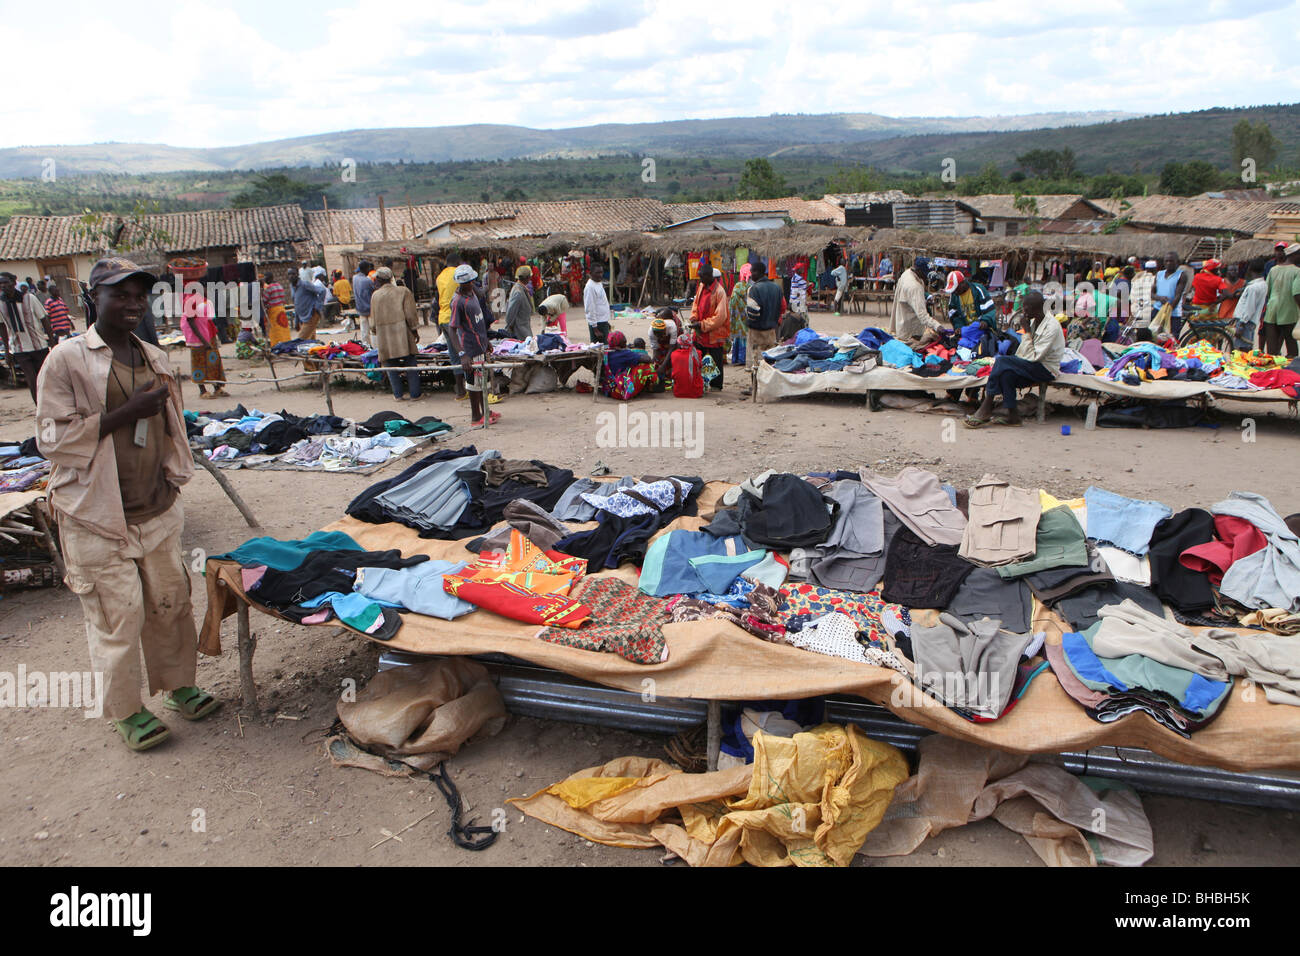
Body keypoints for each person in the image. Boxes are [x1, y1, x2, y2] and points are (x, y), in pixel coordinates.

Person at [35, 256, 218, 752]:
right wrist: (123, 414)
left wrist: (174, 476)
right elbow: (52, 440)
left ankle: (179, 686)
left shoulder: (153, 356)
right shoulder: (67, 359)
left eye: (140, 295)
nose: (133, 304)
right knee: (118, 618)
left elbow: (169, 426)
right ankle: (128, 712)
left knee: (170, 604)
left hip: (155, 509)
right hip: (96, 516)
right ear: (94, 298)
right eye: (121, 294)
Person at [965, 290, 1063, 427]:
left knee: (1001, 361)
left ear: (1037, 309)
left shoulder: (1051, 326)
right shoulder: (1035, 321)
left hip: (1046, 369)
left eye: (1026, 308)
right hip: (1033, 365)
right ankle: (1013, 417)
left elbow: (1034, 357)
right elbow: (1023, 353)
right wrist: (1015, 361)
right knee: (1006, 373)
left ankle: (987, 405)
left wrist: (1027, 332)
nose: (1023, 311)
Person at [449, 264, 498, 426]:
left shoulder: (473, 295)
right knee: (474, 384)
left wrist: (486, 341)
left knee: (483, 381)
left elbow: (479, 322)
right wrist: (462, 354)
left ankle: (486, 411)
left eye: (470, 281)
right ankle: (476, 416)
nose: (469, 284)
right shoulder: (458, 302)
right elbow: (452, 329)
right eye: (466, 283)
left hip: (480, 344)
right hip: (470, 348)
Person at [0, 271, 56, 403]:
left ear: (14, 283)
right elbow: (2, 327)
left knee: (45, 379)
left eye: (5, 282)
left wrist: (53, 343)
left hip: (39, 346)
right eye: (0, 283)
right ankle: (40, 409)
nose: (3, 285)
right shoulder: (1, 304)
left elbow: (44, 320)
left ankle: (52, 406)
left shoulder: (30, 298)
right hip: (20, 349)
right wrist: (7, 352)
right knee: (31, 381)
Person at [370, 267, 421, 402]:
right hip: (403, 333)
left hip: (384, 336)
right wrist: (415, 330)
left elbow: (373, 322)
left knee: (390, 366)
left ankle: (398, 395)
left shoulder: (375, 295)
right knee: (410, 362)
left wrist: (376, 331)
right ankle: (415, 394)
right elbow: (410, 315)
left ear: (378, 280)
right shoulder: (403, 291)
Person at [179, 282, 228, 400]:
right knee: (199, 362)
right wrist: (203, 341)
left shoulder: (202, 299)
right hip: (198, 337)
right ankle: (203, 391)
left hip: (208, 333)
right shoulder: (189, 300)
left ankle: (217, 388)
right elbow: (190, 321)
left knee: (213, 360)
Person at [690, 266, 729, 391]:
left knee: (716, 358)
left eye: (702, 277)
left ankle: (716, 385)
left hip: (714, 332)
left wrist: (703, 325)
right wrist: (694, 317)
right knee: (700, 356)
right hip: (701, 331)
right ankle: (701, 381)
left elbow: (721, 316)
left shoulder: (719, 291)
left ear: (709, 276)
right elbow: (696, 304)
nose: (700, 279)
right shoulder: (701, 286)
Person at [891, 257, 944, 345]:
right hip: (911, 332)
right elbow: (922, 315)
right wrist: (937, 326)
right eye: (925, 274)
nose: (927, 278)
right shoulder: (915, 287)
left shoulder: (907, 273)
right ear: (919, 271)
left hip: (901, 324)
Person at [1260, 242, 1300, 358]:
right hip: (1288, 311)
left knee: (1272, 349)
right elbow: (1297, 294)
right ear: (1295, 254)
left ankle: (1272, 371)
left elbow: (1267, 291)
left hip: (1272, 310)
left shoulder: (1273, 270)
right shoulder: (1297, 271)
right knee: (1291, 347)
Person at [744, 259, 783, 373]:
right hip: (771, 330)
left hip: (756, 331)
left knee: (756, 362)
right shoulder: (776, 288)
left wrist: (750, 323)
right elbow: (781, 308)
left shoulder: (754, 289)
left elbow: (753, 313)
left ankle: (755, 386)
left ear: (758, 272)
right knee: (769, 360)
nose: (751, 275)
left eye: (752, 272)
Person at [1232, 260, 1267, 352]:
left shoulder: (1253, 288)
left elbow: (1249, 307)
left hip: (1246, 322)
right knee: (1246, 346)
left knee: (1243, 348)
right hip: (1251, 321)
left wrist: (1241, 325)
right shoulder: (1263, 284)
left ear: (1250, 270)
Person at [1152, 252, 1189, 338]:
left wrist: (1167, 311)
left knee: (1171, 340)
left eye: (1171, 261)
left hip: (1173, 313)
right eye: (1166, 261)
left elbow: (1177, 296)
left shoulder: (1181, 275)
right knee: (1154, 337)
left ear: (1177, 262)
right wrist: (1159, 298)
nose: (1168, 263)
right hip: (1157, 310)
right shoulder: (1159, 274)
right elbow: (1152, 293)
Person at [292, 266, 325, 341]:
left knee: (300, 340)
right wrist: (296, 321)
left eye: (293, 274)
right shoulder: (293, 288)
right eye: (289, 274)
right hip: (303, 318)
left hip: (311, 315)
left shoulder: (305, 284)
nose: (291, 276)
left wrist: (317, 306)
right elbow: (296, 305)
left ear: (297, 274)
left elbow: (322, 291)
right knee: (311, 342)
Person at [728, 262, 752, 361]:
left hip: (736, 317)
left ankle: (736, 358)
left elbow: (731, 304)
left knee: (738, 337)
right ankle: (744, 358)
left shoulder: (737, 287)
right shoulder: (750, 287)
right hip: (746, 316)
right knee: (745, 337)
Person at [504, 266, 535, 340]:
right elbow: (510, 314)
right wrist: (508, 328)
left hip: (524, 328)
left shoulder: (522, 289)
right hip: (520, 332)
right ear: (527, 278)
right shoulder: (518, 292)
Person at [583, 262, 612, 344]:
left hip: (603, 322)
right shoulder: (590, 287)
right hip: (597, 325)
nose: (600, 275)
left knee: (606, 348)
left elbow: (601, 303)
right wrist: (595, 329)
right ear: (591, 273)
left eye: (601, 272)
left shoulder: (598, 283)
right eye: (597, 273)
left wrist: (606, 322)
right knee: (598, 349)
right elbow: (590, 309)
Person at [261, 271, 292, 346]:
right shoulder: (279, 285)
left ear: (268, 278)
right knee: (283, 327)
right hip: (281, 309)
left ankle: (277, 344)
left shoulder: (269, 288)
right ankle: (286, 341)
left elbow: (264, 300)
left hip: (273, 310)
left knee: (275, 329)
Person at [352, 259, 375, 346]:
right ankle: (374, 348)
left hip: (360, 308)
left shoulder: (355, 278)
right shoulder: (368, 281)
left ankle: (366, 347)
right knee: (373, 331)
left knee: (364, 331)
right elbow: (374, 291)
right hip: (369, 309)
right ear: (366, 269)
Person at [1130, 260, 1157, 328]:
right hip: (1150, 311)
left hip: (1136, 310)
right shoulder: (1156, 279)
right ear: (1155, 269)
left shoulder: (1136, 280)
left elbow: (1132, 297)